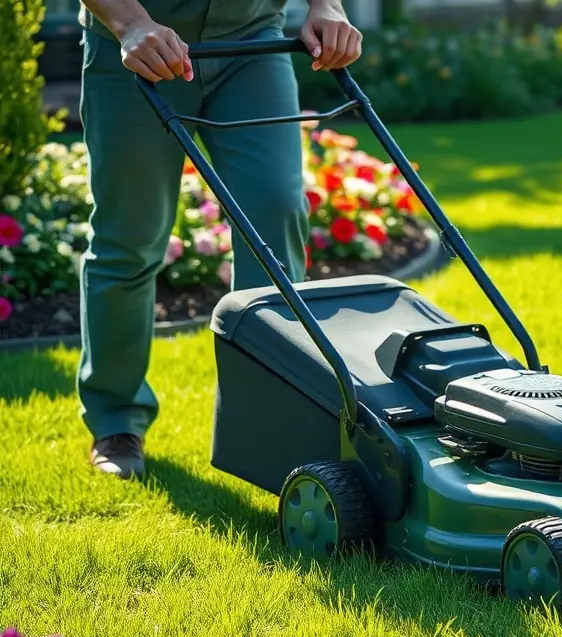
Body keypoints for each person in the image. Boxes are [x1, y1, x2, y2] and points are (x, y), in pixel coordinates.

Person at [77, 0, 361, 479]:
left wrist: (326, 6)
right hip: (140, 45)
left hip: (251, 40)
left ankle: (269, 417)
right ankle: (116, 417)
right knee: (130, 236)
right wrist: (129, 23)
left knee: (275, 213)